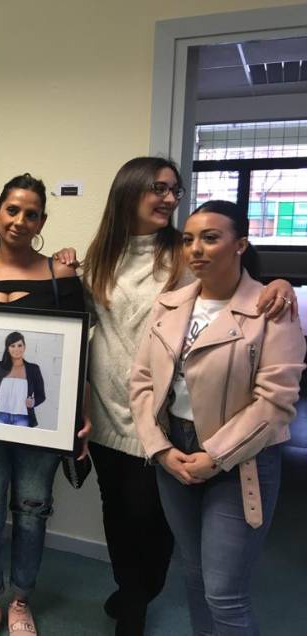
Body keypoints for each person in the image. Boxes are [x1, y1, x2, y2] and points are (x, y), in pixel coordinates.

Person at [55, 156, 297, 635]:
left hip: (163, 419)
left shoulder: (185, 255)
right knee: (117, 513)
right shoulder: (102, 256)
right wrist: (60, 271)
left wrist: (281, 284)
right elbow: (81, 319)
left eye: (174, 190)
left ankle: (140, 595)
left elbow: (241, 288)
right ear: (129, 191)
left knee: (155, 522)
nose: (169, 198)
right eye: (158, 188)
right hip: (108, 411)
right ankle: (130, 590)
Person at [130, 200, 305, 635]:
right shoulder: (169, 305)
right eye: (188, 239)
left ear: (240, 244)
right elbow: (142, 383)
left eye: (210, 238)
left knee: (225, 593)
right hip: (175, 453)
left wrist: (216, 455)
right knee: (193, 574)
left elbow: (276, 402)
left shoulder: (271, 309)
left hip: (240, 459)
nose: (196, 249)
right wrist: (160, 449)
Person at [0, 173, 89, 636]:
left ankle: (21, 600)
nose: (20, 220)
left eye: (31, 214)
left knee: (32, 513)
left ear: (41, 221)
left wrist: (81, 412)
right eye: (12, 210)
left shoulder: (60, 276)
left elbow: (78, 354)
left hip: (39, 427)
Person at [0, 332, 45, 428]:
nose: (16, 349)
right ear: (7, 348)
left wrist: (33, 402)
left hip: (22, 417)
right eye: (12, 346)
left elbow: (41, 395)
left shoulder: (33, 369)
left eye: (19, 345)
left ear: (24, 347)